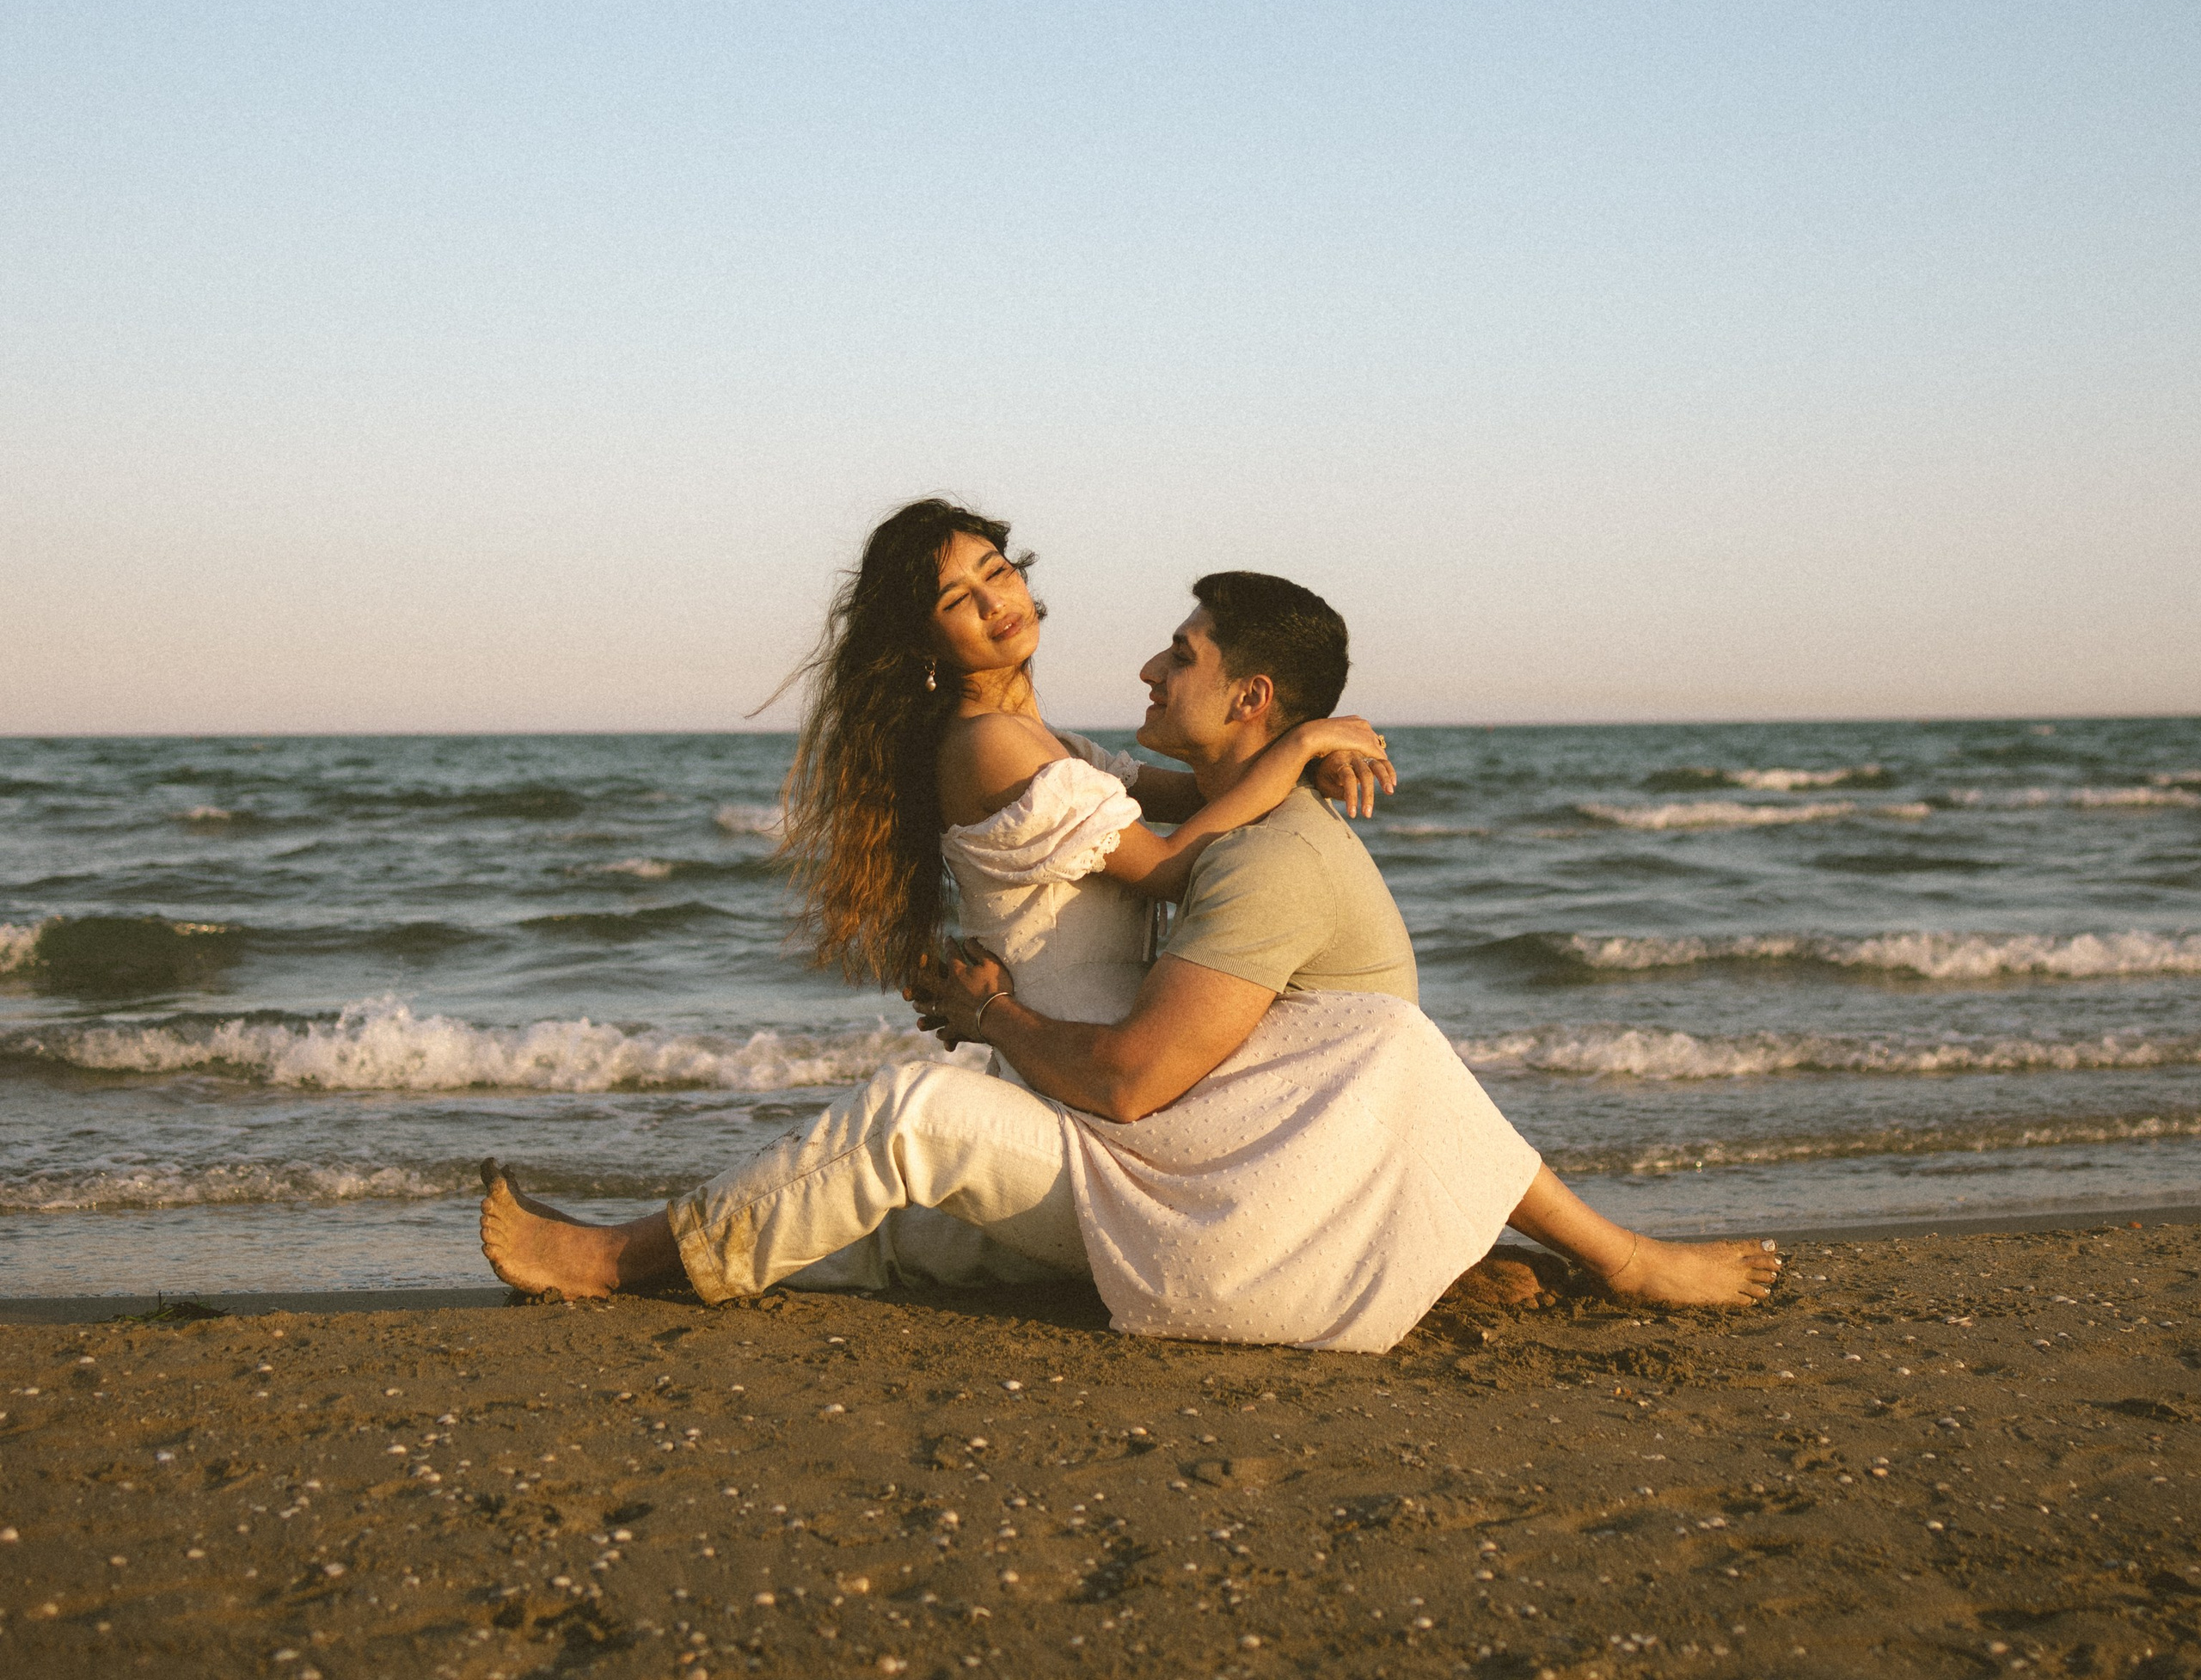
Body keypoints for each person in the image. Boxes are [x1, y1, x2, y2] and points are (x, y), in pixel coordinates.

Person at [480, 507, 1781, 1346]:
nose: (995, 600)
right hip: (1083, 1110)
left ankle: (619, 1259)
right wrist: (1301, 746)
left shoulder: (1050, 744)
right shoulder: (990, 740)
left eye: (998, 571)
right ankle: (622, 1257)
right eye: (958, 596)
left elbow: (1176, 806)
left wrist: (1292, 748)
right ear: (926, 640)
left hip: (1111, 1120)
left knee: (902, 1174)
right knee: (895, 1182)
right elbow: (1162, 860)